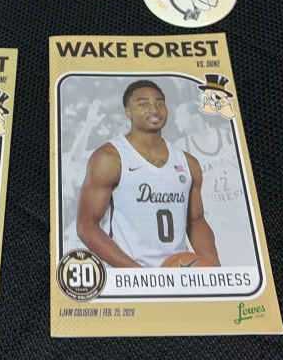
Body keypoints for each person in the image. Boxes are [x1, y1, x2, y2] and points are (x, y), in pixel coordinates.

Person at [76, 81, 220, 268]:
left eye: (160, 103)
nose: (154, 109)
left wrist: (214, 270)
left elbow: (196, 221)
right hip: (128, 274)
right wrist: (139, 275)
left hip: (179, 270)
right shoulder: (109, 158)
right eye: (143, 104)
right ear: (128, 112)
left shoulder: (188, 162)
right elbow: (86, 226)